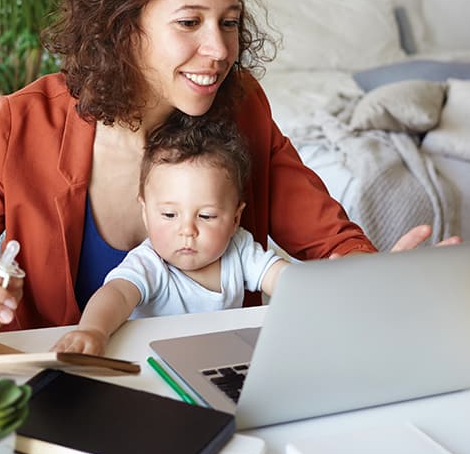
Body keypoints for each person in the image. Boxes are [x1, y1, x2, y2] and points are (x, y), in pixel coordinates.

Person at [0, 0, 456, 352]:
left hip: (211, 384)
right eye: (189, 22)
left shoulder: (243, 108)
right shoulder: (24, 124)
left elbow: (330, 242)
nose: (219, 49)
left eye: (229, 23)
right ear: (122, 26)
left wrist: (378, 279)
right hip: (65, 396)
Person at [52, 112, 291, 355]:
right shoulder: (150, 263)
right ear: (145, 213)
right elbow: (117, 295)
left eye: (206, 216)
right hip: (153, 365)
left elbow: (283, 278)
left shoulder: (239, 249)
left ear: (235, 219)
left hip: (216, 362)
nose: (187, 230)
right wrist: (93, 330)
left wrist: (316, 294)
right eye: (169, 215)